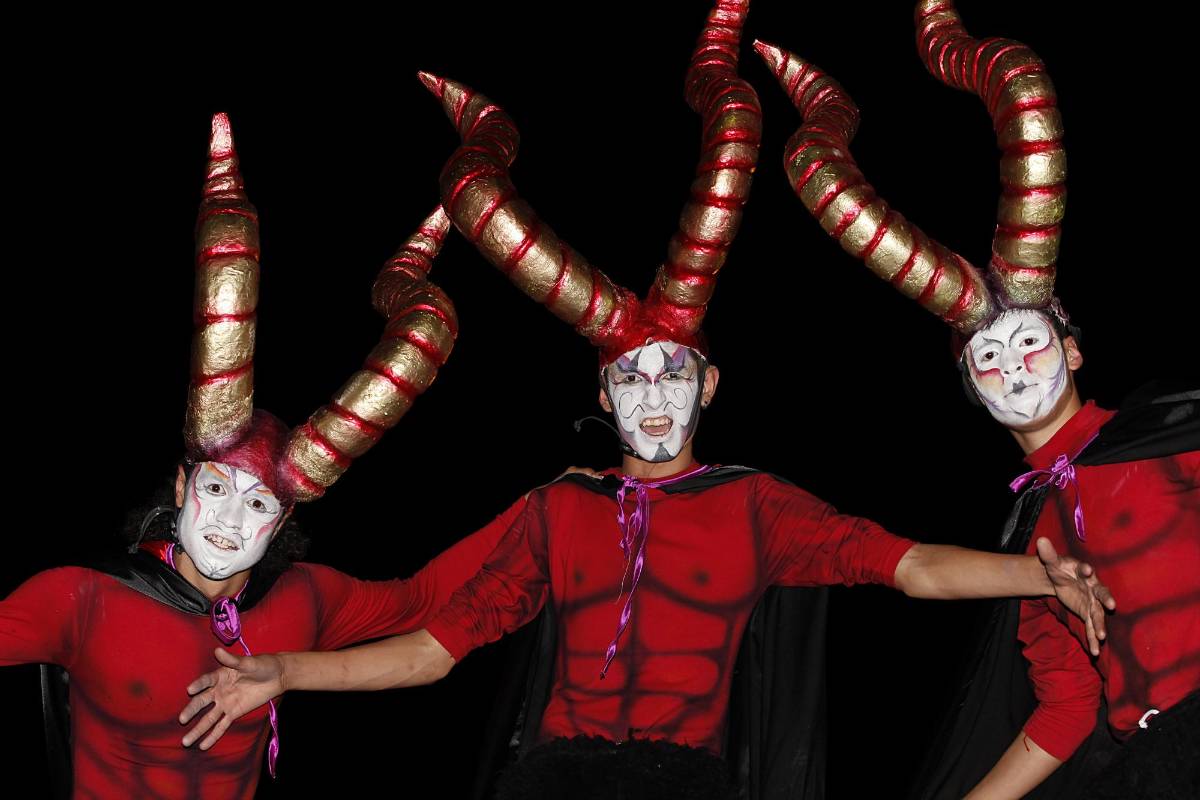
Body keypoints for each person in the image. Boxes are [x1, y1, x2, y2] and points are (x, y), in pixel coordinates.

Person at [176, 6, 1117, 798]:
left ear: (709, 385)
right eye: (631, 375)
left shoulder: (759, 505)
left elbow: (908, 567)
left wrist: (1045, 576)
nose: (653, 394)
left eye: (673, 372)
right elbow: (432, 649)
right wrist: (284, 673)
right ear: (603, 389)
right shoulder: (557, 509)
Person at [0, 113, 530, 799]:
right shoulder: (82, 599)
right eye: (218, 490)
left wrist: (536, 507)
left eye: (257, 504)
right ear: (184, 487)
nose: (229, 520)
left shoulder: (302, 600)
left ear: (279, 524)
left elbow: (420, 598)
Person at [758, 2, 1199, 796]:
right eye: (987, 358)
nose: (1014, 367)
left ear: (1072, 350)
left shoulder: (1167, 434)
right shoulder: (1033, 542)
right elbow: (1066, 708)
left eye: (1030, 342)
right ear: (972, 391)